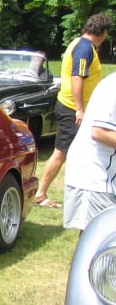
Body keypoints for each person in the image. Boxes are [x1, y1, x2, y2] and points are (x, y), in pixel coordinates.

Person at [33, 12, 111, 208]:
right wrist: (79, 109)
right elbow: (77, 77)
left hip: (72, 107)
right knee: (60, 152)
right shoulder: (85, 48)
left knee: (72, 152)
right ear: (102, 33)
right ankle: (40, 193)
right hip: (71, 109)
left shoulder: (79, 42)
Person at [63, 71, 116, 231]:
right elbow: (99, 132)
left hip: (108, 177)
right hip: (93, 177)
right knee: (96, 240)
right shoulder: (112, 86)